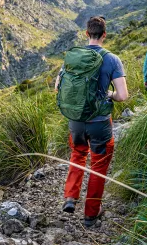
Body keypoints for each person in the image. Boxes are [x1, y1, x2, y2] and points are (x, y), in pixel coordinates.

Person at [55, 16, 128, 228]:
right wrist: (109, 94)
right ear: (104, 35)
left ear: (86, 34)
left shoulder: (73, 58)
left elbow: (58, 87)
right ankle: (90, 215)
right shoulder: (112, 59)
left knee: (78, 153)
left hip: (76, 120)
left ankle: (70, 197)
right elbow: (123, 95)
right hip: (100, 123)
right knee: (98, 164)